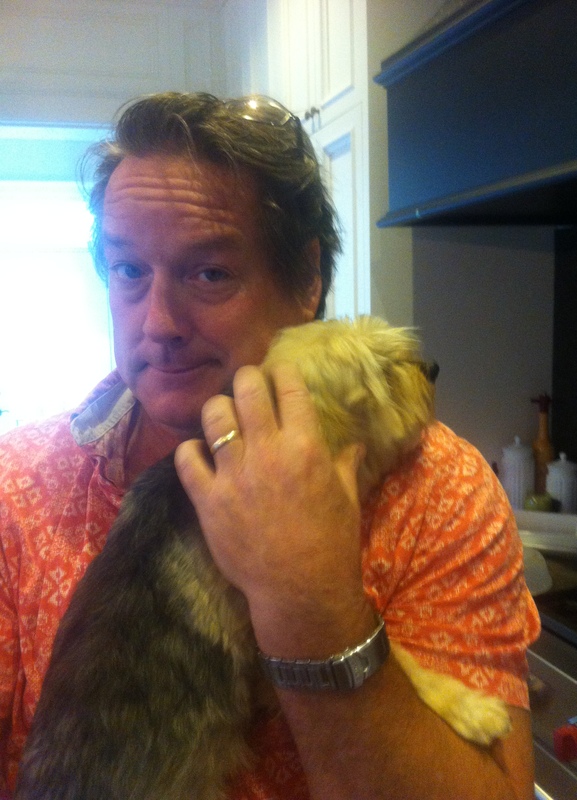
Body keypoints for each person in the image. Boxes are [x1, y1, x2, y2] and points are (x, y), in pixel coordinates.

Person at [0, 91, 539, 800]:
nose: (157, 323)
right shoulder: (18, 490)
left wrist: (308, 603)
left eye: (209, 273)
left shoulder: (437, 490)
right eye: (128, 270)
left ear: (306, 279)